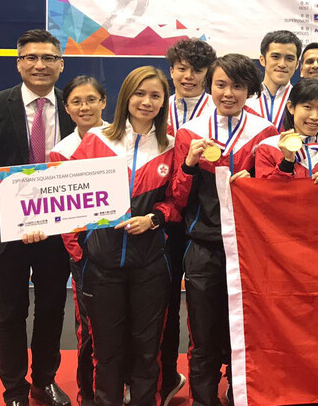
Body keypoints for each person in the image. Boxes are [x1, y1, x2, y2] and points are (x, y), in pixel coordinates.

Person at [0, 29, 74, 406]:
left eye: (48, 58)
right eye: (31, 57)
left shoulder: (75, 107)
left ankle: (43, 381)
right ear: (18, 63)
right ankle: (14, 389)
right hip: (5, 232)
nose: (39, 64)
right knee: (9, 312)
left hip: (60, 231)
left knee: (52, 309)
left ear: (61, 65)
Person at [69, 66, 180, 406]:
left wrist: (152, 219)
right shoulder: (96, 141)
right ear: (125, 97)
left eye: (155, 96)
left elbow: (176, 201)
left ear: (163, 102)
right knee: (107, 350)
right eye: (140, 93)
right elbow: (68, 197)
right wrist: (85, 244)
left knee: (148, 349)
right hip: (102, 265)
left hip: (149, 264)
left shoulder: (170, 146)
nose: (147, 102)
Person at [173, 54, 278, 405]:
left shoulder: (266, 132)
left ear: (250, 90)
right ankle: (204, 399)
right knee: (203, 332)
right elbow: (177, 197)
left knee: (244, 331)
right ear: (210, 86)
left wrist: (257, 182)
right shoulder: (190, 134)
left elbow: (276, 195)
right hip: (203, 248)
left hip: (249, 250)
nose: (228, 93)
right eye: (220, 84)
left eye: (237, 86)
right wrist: (188, 166)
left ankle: (240, 397)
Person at [162, 37, 217, 404]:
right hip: (163, 218)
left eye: (196, 69)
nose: (188, 76)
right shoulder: (155, 105)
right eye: (181, 68)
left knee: (206, 310)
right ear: (171, 70)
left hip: (202, 222)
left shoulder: (222, 109)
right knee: (162, 305)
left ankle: (211, 384)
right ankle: (166, 378)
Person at [49, 76, 108, 406]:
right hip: (87, 256)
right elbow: (63, 215)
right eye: (76, 102)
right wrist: (80, 255)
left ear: (104, 101)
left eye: (91, 99)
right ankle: (89, 395)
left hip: (127, 250)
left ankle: (123, 386)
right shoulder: (62, 151)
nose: (84, 107)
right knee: (89, 330)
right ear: (67, 108)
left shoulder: (125, 139)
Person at [255, 78, 318, 182]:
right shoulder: (268, 148)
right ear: (291, 107)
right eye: (307, 107)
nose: (315, 116)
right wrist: (287, 162)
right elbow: (265, 192)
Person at [244, 30, 302, 130]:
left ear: (297, 64)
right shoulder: (245, 98)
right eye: (275, 57)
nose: (282, 64)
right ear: (262, 60)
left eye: (289, 58)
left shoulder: (303, 100)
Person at [165, 37, 217, 135]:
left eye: (197, 71)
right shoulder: (159, 108)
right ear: (172, 72)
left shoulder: (217, 111)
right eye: (182, 69)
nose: (188, 76)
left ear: (209, 74)